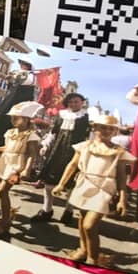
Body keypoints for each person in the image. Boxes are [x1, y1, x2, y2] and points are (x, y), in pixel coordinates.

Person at [53, 114, 135, 265]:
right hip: (84, 184)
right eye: (102, 127)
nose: (106, 131)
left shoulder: (118, 152)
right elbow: (72, 165)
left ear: (115, 131)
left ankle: (93, 258)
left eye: (111, 129)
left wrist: (122, 198)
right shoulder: (84, 146)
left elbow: (122, 176)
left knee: (89, 225)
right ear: (95, 128)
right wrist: (61, 184)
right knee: (82, 218)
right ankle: (83, 249)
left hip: (104, 189)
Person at [31, 92, 89, 224]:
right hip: (57, 152)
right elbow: (53, 134)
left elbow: (89, 138)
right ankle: (47, 210)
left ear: (82, 102)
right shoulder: (61, 115)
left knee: (71, 186)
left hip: (75, 155)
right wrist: (46, 145)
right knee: (49, 183)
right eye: (71, 102)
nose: (73, 104)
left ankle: (68, 211)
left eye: (76, 101)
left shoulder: (86, 118)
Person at [0, 100, 43, 236]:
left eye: (16, 118)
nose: (13, 120)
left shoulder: (31, 135)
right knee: (2, 192)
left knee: (2, 190)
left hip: (17, 165)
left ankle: (5, 222)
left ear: (26, 119)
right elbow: (8, 148)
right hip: (6, 162)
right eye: (12, 117)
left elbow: (32, 154)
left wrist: (26, 169)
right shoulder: (10, 132)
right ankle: (5, 216)